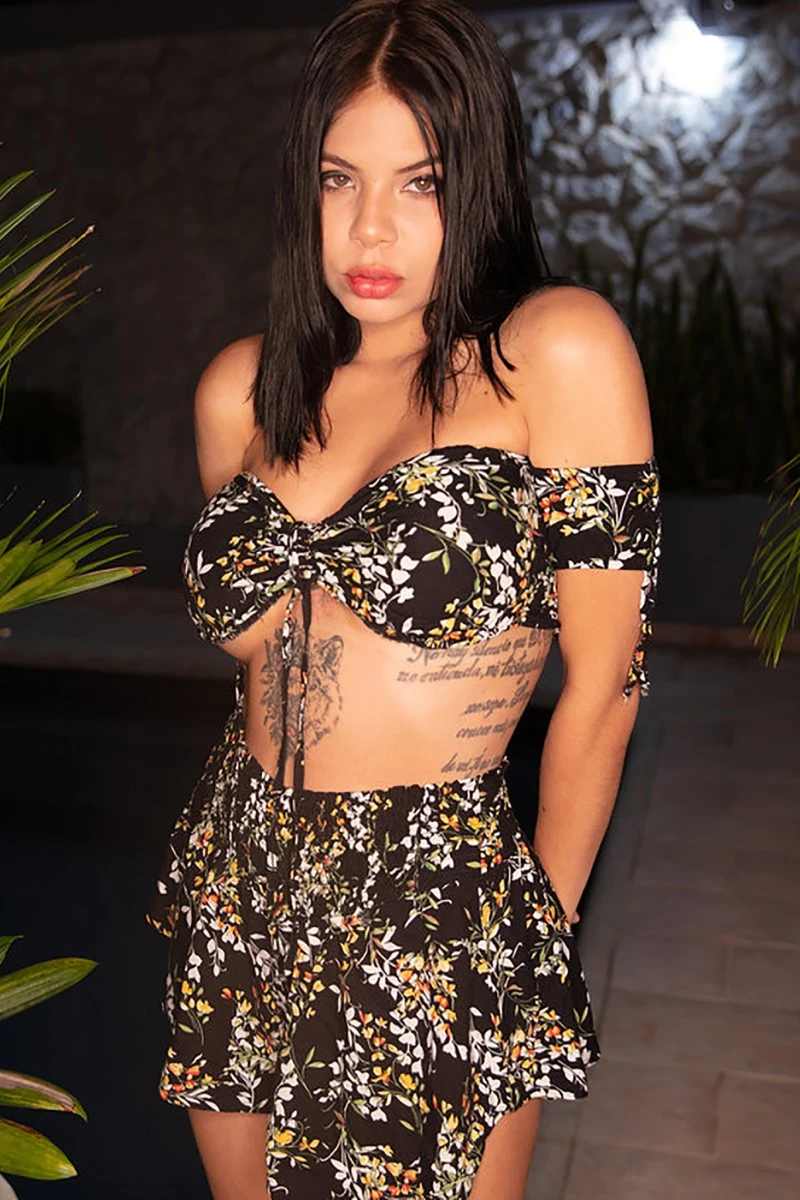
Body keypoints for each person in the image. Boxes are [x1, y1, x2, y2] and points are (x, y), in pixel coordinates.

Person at [146, 1, 661, 1197]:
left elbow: (604, 684)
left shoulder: (553, 353)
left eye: (418, 183)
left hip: (433, 889)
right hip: (245, 867)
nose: (368, 227)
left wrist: (534, 934)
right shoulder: (243, 392)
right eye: (339, 179)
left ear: (476, 181)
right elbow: (271, 652)